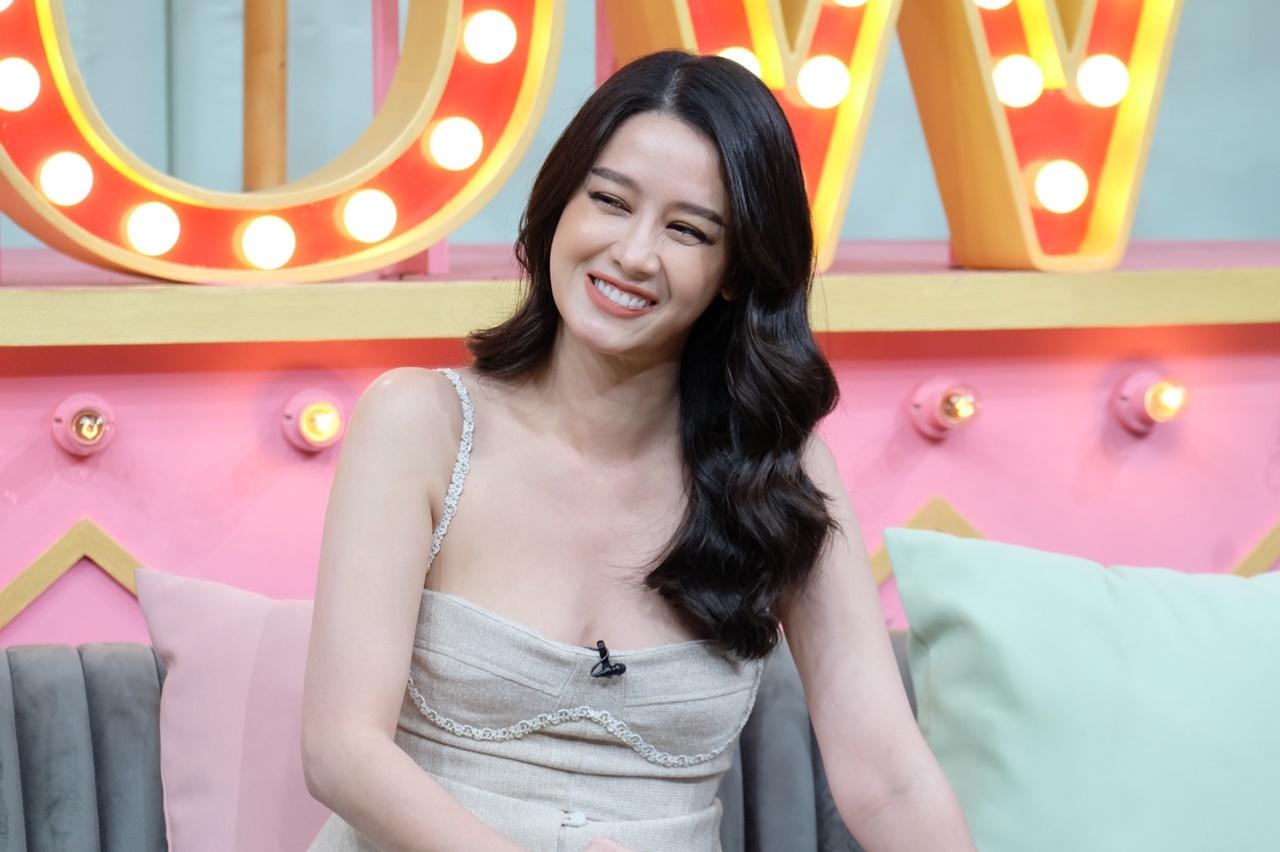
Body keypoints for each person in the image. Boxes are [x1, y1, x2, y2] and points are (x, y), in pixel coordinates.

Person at [301, 49, 975, 852]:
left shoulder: (776, 470)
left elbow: (888, 777)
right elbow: (342, 750)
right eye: (611, 202)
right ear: (560, 206)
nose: (632, 253)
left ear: (734, 271)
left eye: (687, 230)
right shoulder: (421, 422)